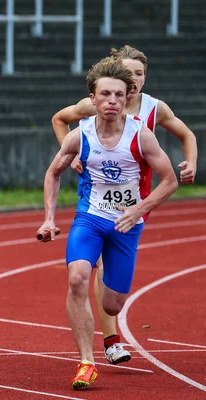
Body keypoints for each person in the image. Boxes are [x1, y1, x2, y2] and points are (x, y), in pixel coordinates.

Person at [51, 45, 198, 365]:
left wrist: (191, 162)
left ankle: (110, 325)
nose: (134, 79)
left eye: (139, 74)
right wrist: (73, 153)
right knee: (85, 271)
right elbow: (60, 119)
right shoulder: (97, 105)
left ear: (142, 80)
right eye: (128, 72)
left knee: (112, 296)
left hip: (137, 204)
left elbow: (187, 135)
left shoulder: (153, 110)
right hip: (95, 202)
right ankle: (109, 341)